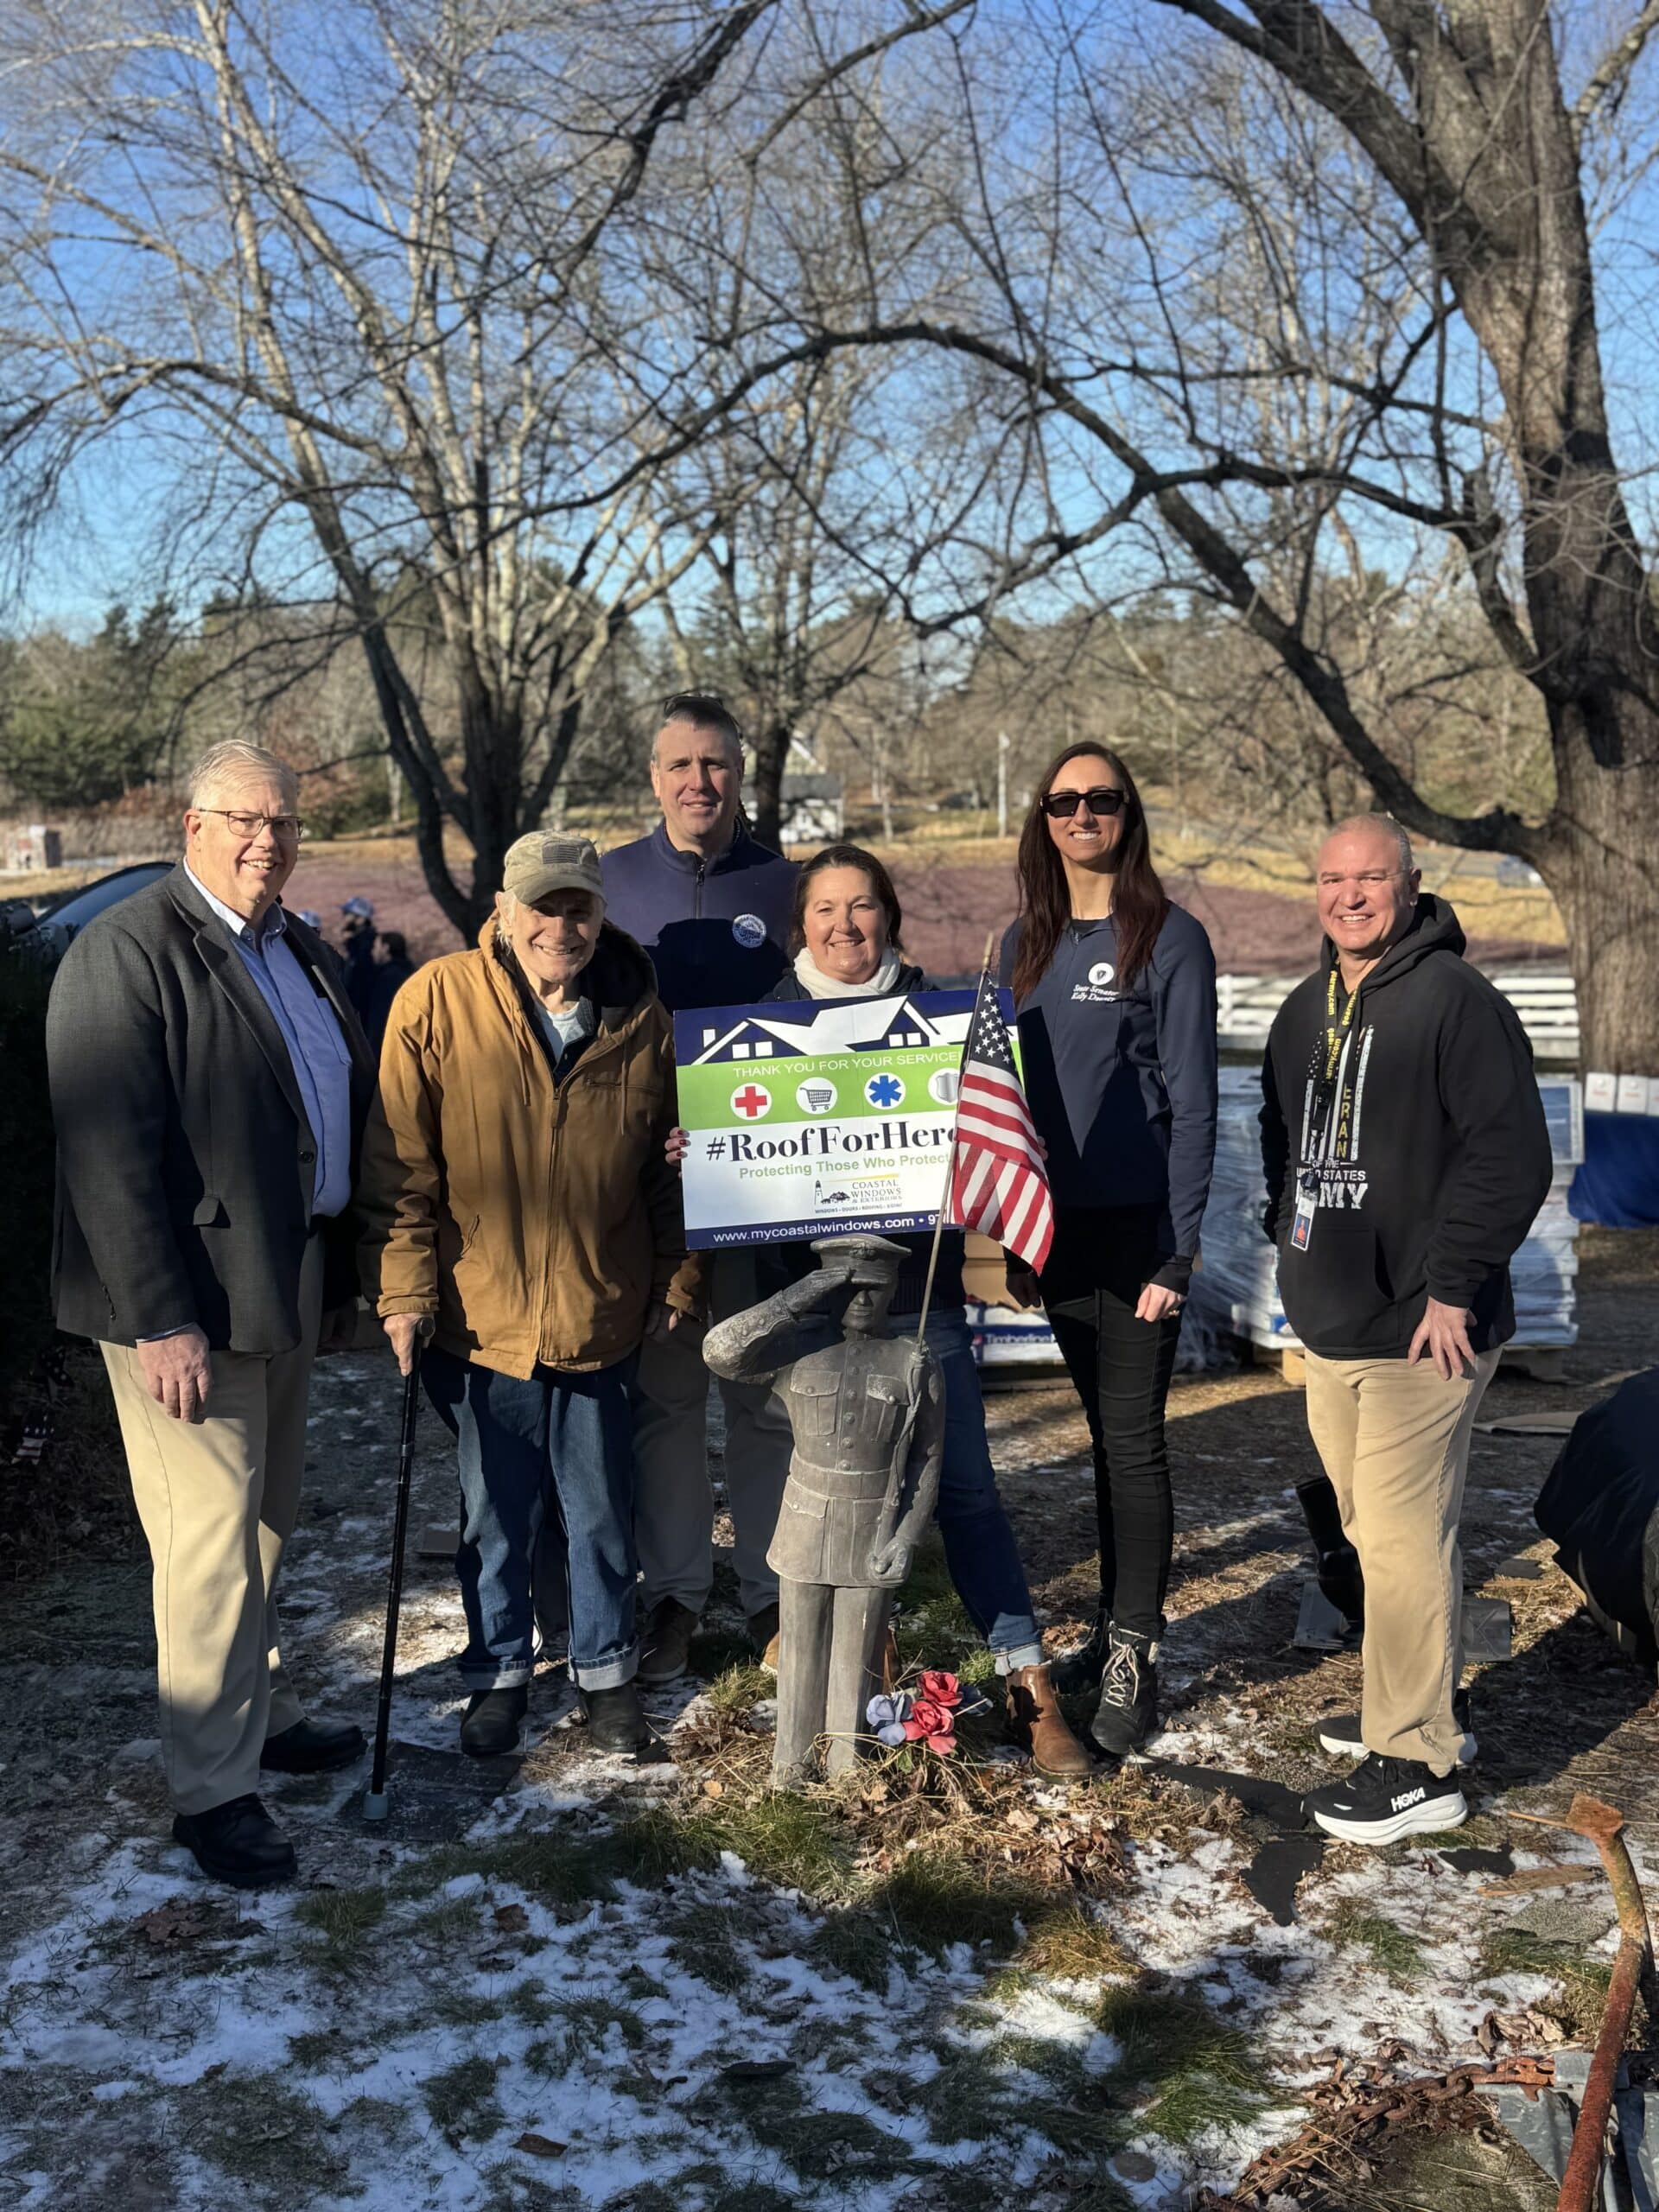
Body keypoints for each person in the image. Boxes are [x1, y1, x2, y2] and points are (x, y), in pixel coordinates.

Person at [47, 740, 374, 1890]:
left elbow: (315, 1125)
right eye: (244, 820)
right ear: (192, 824)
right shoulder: (126, 951)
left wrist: (335, 1286)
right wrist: (158, 1321)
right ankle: (210, 1791)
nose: (266, 842)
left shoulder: (296, 950)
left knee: (267, 1526)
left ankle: (257, 1719)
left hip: (280, 1290)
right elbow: (106, 1156)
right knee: (206, 1548)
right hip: (186, 1314)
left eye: (283, 824)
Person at [744, 843, 1091, 1775]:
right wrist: (700, 1151)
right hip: (814, 1307)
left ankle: (1028, 1678)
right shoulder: (762, 1024)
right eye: (825, 909)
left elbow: (991, 1138)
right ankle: (857, 1664)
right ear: (800, 923)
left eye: (863, 906)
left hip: (920, 1298)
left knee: (966, 1486)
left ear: (889, 917)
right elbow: (738, 1168)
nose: (844, 925)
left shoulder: (941, 1021)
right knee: (836, 1499)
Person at [359, 833, 701, 1759]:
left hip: (601, 1309)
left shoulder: (643, 1016)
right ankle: (499, 1674)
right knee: (495, 1518)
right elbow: (400, 1168)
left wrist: (678, 1272)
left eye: (579, 906)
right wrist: (403, 1289)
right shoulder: (435, 1001)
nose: (562, 925)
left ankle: (606, 1674)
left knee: (597, 1512)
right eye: (543, 906)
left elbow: (671, 1165)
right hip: (478, 1320)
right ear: (504, 912)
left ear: (601, 913)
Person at [1262, 815, 1552, 1845]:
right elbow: (1281, 1144)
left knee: (1398, 1534)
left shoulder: (1456, 1002)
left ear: (1410, 882)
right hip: (1333, 1326)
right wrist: (1286, 1250)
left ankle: (1417, 1761)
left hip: (1428, 1329)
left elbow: (1510, 1156)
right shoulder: (1307, 1012)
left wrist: (1454, 1286)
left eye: (1371, 876)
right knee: (1377, 1534)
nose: (1350, 895)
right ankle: (1426, 1705)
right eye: (1333, 877)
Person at [1000, 744, 1218, 1757]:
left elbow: (1195, 1102)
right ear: (1043, 819)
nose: (1083, 814)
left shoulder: (1168, 939)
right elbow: (992, 1102)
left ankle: (1138, 1649)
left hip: (1140, 1237)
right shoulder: (1022, 943)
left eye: (1103, 800)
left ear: (1129, 814)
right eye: (1064, 801)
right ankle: (1109, 1626)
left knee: (1135, 1444)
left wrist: (1178, 1253)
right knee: (1103, 1437)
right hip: (1057, 1236)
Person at [600, 694, 798, 1683]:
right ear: (653, 776)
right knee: (668, 1403)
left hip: (764, 1191)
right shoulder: (609, 884)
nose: (697, 783)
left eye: (715, 765)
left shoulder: (789, 884)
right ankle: (675, 1590)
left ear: (740, 772)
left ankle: (769, 1597)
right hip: (652, 1199)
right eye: (679, 764)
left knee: (760, 1397)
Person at [360, 927, 415, 1051]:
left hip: (389, 1047)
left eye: (376, 947)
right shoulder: (412, 974)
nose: (372, 952)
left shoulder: (386, 979)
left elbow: (379, 1020)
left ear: (386, 948)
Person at [338, 895, 377, 1023]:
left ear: (360, 919)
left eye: (347, 914)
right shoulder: (355, 947)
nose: (344, 919)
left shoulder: (369, 948)